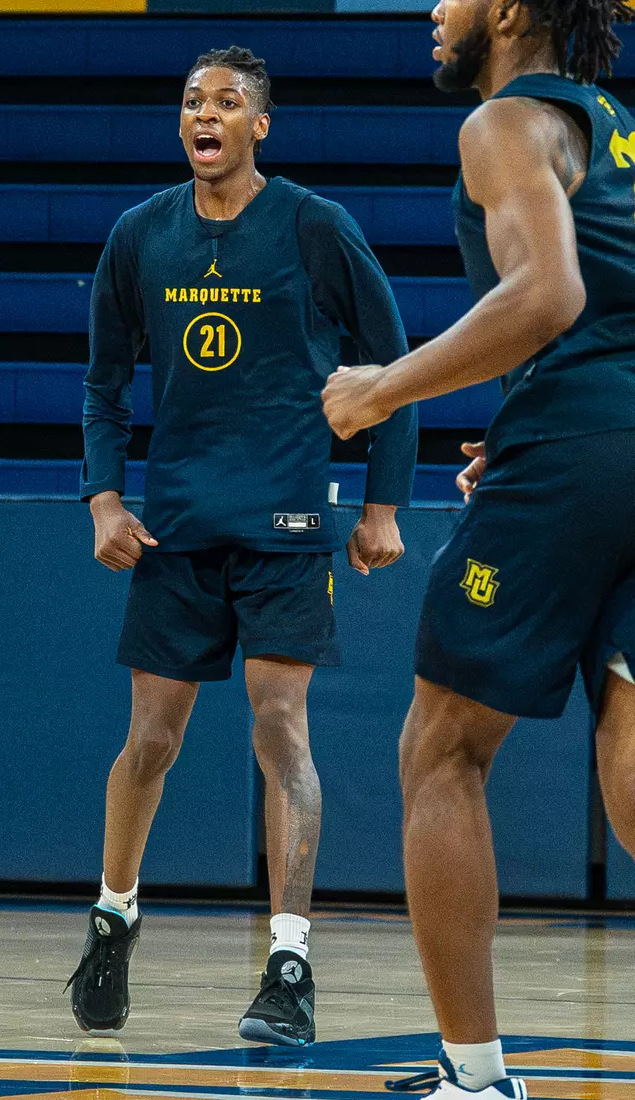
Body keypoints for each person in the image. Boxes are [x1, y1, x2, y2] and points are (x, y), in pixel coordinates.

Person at [67, 46, 417, 1046]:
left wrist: (383, 505)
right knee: (151, 740)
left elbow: (392, 367)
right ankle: (113, 917)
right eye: (191, 101)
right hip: (175, 532)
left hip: (286, 529)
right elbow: (102, 384)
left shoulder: (314, 225)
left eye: (226, 102)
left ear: (261, 125)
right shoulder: (140, 234)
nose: (204, 115)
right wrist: (103, 500)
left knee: (280, 729)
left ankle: (289, 962)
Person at [322, 1, 635, 1095]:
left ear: (506, 12)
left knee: (441, 750)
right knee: (629, 738)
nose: (433, 8)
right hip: (604, 439)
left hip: (576, 452)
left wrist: (381, 388)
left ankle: (475, 1076)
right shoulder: (614, 123)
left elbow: (548, 293)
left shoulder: (504, 121)